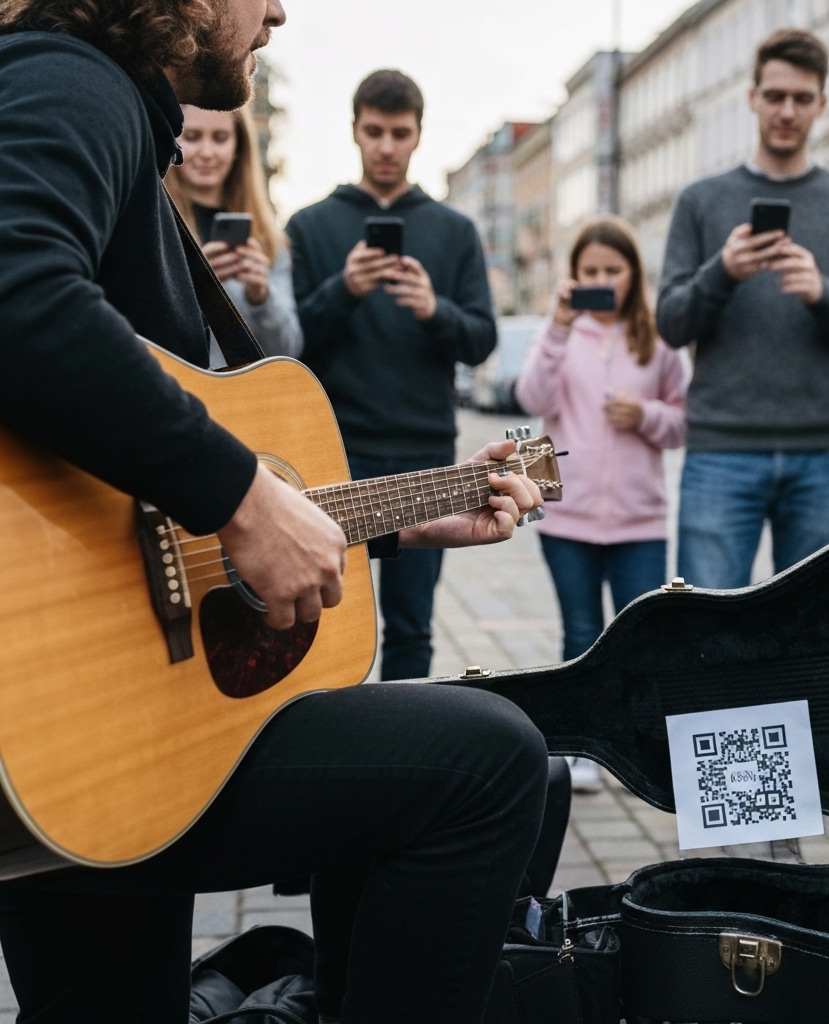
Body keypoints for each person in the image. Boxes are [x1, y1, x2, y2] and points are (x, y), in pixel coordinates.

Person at [0, 3, 550, 1022]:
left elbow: (140, 487)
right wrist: (245, 495)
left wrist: (384, 516)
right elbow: (14, 287)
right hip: (62, 687)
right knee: (487, 762)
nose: (280, 12)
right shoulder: (76, 79)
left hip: (86, 711)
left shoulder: (85, 96)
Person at [657, 29, 829, 589]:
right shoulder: (701, 200)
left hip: (824, 451)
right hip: (721, 448)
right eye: (776, 95)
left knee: (811, 634)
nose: (788, 111)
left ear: (822, 104)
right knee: (704, 629)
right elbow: (670, 322)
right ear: (752, 97)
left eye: (802, 98)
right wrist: (724, 271)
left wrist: (821, 293)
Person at [288, 70, 496, 682]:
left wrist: (436, 311)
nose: (386, 146)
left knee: (411, 625)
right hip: (332, 449)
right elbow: (285, 343)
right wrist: (343, 290)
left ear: (418, 136)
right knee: (325, 621)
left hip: (421, 449)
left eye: (399, 133)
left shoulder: (453, 231)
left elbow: (481, 339)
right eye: (374, 131)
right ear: (354, 130)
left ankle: (406, 759)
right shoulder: (310, 226)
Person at [518, 218, 685, 791]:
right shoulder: (560, 335)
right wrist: (557, 328)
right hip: (568, 517)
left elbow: (682, 421)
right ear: (574, 277)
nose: (602, 279)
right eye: (590, 271)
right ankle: (586, 749)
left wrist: (647, 416)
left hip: (640, 518)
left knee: (640, 635)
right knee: (581, 633)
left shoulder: (656, 338)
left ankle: (638, 747)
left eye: (612, 270)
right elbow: (529, 397)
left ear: (633, 272)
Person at [165, 102, 303, 360]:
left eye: (220, 138)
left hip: (242, 397)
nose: (207, 152)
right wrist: (195, 286)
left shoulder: (267, 241)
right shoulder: (158, 229)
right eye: (193, 137)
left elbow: (288, 352)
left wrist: (262, 298)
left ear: (239, 145)